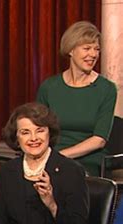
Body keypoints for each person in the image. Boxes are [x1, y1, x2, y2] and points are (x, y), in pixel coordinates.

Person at [37, 21, 117, 176]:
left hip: (88, 160)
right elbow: (38, 128)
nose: (93, 54)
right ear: (71, 50)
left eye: (96, 49)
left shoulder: (106, 89)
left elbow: (99, 139)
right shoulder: (49, 87)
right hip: (50, 156)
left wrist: (58, 157)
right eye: (87, 48)